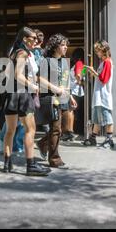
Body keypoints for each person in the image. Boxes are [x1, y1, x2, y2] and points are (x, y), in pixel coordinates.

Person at [2, 26, 59, 176]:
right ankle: (31, 165)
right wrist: (32, 85)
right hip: (23, 95)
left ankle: (7, 163)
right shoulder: (22, 53)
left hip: (11, 94)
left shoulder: (14, 52)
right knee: (30, 130)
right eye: (33, 38)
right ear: (25, 39)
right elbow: (17, 75)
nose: (36, 40)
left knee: (10, 131)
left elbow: (8, 74)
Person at [36, 34, 76, 169]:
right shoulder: (46, 61)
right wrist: (55, 88)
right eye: (63, 45)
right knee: (55, 128)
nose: (65, 47)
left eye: (66, 45)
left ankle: (42, 143)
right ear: (55, 46)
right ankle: (54, 159)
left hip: (63, 98)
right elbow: (40, 79)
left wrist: (70, 96)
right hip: (51, 98)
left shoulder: (64, 62)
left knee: (65, 128)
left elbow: (65, 81)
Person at [83, 40, 114, 148]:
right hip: (99, 95)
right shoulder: (104, 62)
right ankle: (93, 138)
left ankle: (109, 140)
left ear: (103, 50)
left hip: (103, 96)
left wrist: (92, 71)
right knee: (96, 118)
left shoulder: (107, 62)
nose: (97, 53)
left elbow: (103, 79)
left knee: (107, 118)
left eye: (98, 51)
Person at [62, 48, 85, 140]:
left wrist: (79, 81)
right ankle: (70, 131)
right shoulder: (80, 63)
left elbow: (77, 75)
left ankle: (69, 131)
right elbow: (79, 75)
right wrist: (81, 82)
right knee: (72, 110)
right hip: (76, 90)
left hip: (73, 90)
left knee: (70, 110)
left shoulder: (76, 63)